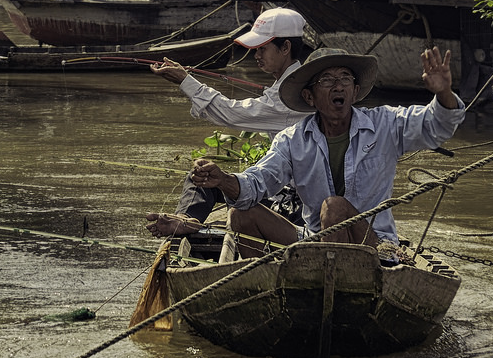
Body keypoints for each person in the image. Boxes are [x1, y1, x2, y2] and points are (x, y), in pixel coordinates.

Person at [184, 46, 463, 258]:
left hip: (375, 246)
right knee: (240, 215)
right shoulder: (292, 139)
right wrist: (223, 180)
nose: (338, 86)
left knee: (334, 207)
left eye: (345, 79)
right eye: (327, 80)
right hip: (315, 242)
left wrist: (444, 93)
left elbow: (437, 126)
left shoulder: (384, 124)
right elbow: (257, 183)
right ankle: (269, 286)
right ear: (309, 97)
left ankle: (337, 281)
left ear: (354, 91)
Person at [143, 7, 311, 237]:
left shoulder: (290, 96)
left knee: (213, 183)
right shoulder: (284, 88)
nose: (256, 56)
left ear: (285, 47)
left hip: (291, 200)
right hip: (275, 185)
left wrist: (185, 81)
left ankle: (194, 227)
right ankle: (187, 221)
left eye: (262, 48)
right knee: (198, 179)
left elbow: (232, 114)